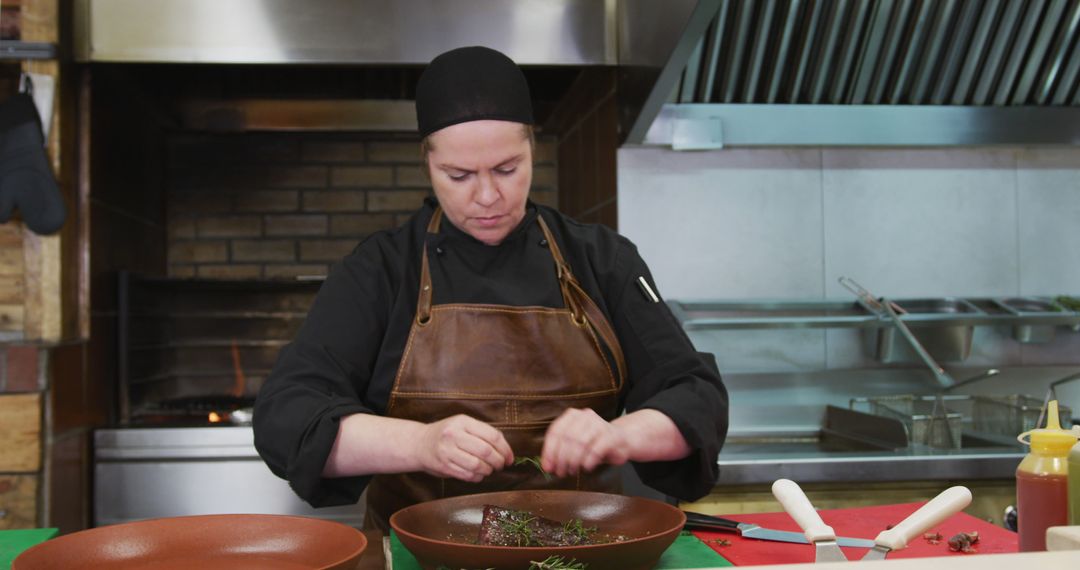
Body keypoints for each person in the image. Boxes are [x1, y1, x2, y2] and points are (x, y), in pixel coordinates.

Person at [253, 46, 728, 532]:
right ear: (427, 165)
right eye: (458, 176)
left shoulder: (602, 260)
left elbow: (695, 395)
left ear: (532, 150)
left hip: (583, 550)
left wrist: (620, 435)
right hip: (423, 556)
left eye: (506, 169)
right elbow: (286, 416)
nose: (487, 197)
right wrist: (420, 444)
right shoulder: (380, 270)